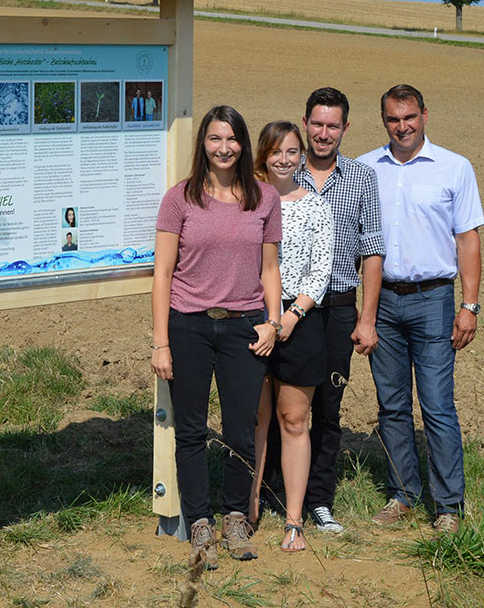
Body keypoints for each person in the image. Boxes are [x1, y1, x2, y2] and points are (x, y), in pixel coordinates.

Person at [151, 105, 282, 568]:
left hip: (244, 326)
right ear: (202, 144)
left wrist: (273, 320)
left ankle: (235, 518)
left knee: (240, 430)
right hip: (189, 324)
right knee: (189, 431)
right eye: (214, 139)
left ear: (243, 145)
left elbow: (269, 268)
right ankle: (200, 524)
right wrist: (161, 341)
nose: (223, 148)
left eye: (231, 139)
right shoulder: (180, 199)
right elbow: (163, 274)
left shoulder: (263, 198)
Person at [358, 84, 482, 533]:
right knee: (391, 406)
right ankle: (403, 495)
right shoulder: (366, 169)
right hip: (383, 300)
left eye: (409, 117)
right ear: (384, 120)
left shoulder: (454, 168)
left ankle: (448, 506)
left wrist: (469, 306)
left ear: (424, 115)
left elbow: (467, 239)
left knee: (437, 406)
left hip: (434, 299)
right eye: (393, 119)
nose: (402, 126)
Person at [271, 87, 384, 535]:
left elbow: (372, 251)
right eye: (316, 124)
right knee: (275, 404)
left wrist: (367, 318)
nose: (323, 133)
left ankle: (319, 499)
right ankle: (269, 489)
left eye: (332, 125)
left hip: (335, 309)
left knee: (328, 408)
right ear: (305, 123)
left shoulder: (361, 178)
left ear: (345, 128)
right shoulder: (281, 173)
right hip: (281, 309)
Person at [249, 122, 333, 552]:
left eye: (292, 151)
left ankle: (294, 521)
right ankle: (247, 509)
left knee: (294, 420)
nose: (284, 158)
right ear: (262, 155)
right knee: (256, 420)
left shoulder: (317, 206)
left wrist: (291, 316)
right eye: (275, 151)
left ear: (302, 156)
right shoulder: (248, 203)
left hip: (299, 323)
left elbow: (321, 271)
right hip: (253, 320)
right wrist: (268, 318)